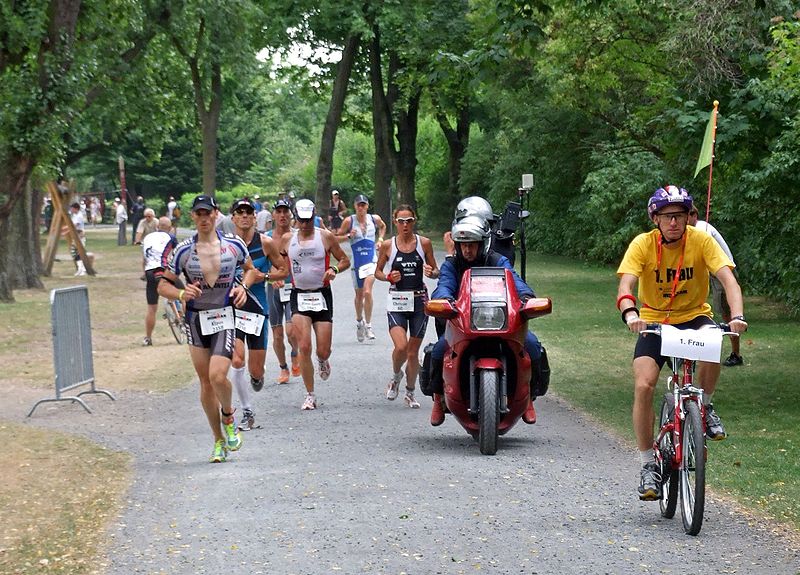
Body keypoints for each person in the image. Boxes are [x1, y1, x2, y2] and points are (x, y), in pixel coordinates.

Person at [616, 185, 748, 501]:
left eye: (680, 215)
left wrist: (737, 316)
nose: (674, 222)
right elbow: (626, 283)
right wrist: (631, 312)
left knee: (714, 340)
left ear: (689, 217)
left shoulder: (701, 241)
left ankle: (705, 406)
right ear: (656, 219)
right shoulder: (643, 244)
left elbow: (728, 280)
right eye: (667, 216)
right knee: (644, 385)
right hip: (654, 319)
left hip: (693, 315)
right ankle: (648, 464)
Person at [157, 194, 259, 463]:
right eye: (199, 214)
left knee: (217, 376)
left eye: (207, 213)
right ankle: (218, 440)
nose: (203, 219)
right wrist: (181, 294)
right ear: (193, 216)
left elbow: (250, 270)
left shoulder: (234, 245)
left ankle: (228, 415)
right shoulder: (183, 250)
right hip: (195, 320)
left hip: (224, 316)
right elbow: (163, 285)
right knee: (205, 382)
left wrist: (243, 287)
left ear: (216, 214)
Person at [428, 214, 546, 427]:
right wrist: (445, 300)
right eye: (463, 245)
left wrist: (526, 297)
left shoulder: (498, 260)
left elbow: (513, 278)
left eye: (472, 245)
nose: (467, 250)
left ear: (482, 244)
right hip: (463, 322)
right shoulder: (451, 265)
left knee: (532, 346)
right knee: (438, 351)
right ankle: (438, 399)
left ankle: (528, 397)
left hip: (499, 320)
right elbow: (444, 284)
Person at [279, 199, 350, 410]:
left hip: (322, 295)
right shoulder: (287, 239)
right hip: (299, 295)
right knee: (304, 346)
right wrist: (276, 277)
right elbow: (281, 265)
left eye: (308, 220)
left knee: (323, 350)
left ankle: (322, 360)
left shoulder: (325, 236)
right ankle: (310, 394)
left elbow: (345, 260)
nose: (304, 224)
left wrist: (334, 270)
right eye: (301, 220)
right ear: (296, 218)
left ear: (314, 216)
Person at [227, 198, 288, 432]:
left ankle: (256, 378)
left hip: (257, 310)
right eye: (239, 212)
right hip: (232, 309)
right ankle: (247, 411)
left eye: (248, 212)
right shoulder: (226, 244)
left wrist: (266, 277)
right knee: (237, 360)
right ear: (233, 218)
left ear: (255, 217)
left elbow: (283, 270)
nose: (244, 216)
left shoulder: (266, 243)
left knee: (256, 370)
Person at [374, 205, 439, 408]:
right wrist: (388, 277)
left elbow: (436, 271)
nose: (405, 225)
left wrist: (431, 272)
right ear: (395, 222)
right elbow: (377, 272)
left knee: (412, 352)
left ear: (414, 221)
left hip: (419, 301)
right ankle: (396, 376)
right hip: (398, 300)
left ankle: (410, 393)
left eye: (409, 221)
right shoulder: (388, 245)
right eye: (401, 221)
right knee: (401, 347)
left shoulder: (424, 243)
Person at [687, 205, 743, 367]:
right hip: (715, 273)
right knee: (722, 313)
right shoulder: (695, 230)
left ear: (694, 216)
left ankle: (736, 354)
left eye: (687, 215)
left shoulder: (701, 229)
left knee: (727, 315)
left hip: (723, 274)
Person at [336, 194, 387, 342]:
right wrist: (348, 236)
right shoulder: (349, 221)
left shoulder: (374, 219)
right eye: (358, 205)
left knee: (367, 291)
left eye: (363, 205)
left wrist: (380, 239)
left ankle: (369, 326)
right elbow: (336, 238)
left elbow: (383, 227)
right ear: (355, 206)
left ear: (367, 206)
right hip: (356, 262)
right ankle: (359, 322)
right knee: (359, 296)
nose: (361, 208)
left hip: (371, 261)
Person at [267, 198, 300, 384]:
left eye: (285, 211)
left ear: (291, 214)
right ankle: (283, 367)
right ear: (273, 215)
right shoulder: (266, 238)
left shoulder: (297, 236)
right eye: (278, 211)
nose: (282, 215)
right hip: (272, 289)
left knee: (291, 331)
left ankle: (295, 353)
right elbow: (258, 263)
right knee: (277, 334)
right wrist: (270, 276)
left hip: (292, 287)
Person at [141, 217, 178, 346]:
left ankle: (148, 338)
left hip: (149, 272)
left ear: (157, 227)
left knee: (151, 308)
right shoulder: (171, 237)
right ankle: (183, 319)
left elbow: (144, 259)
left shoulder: (147, 238)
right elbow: (177, 255)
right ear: (170, 228)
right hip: (162, 270)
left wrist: (144, 273)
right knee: (183, 293)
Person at [65, 202, 87, 276]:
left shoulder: (79, 216)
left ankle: (83, 270)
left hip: (80, 235)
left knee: (81, 252)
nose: (71, 210)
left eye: (72, 208)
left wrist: (65, 230)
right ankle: (80, 268)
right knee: (74, 252)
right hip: (75, 235)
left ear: (76, 208)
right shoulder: (74, 215)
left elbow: (75, 225)